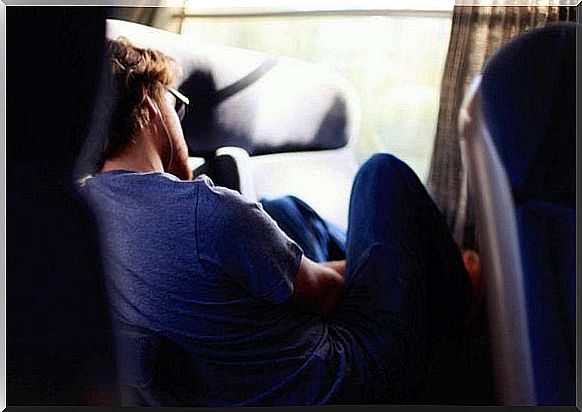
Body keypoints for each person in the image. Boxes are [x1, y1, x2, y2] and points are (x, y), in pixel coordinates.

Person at [80, 37, 474, 406]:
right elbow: (329, 294)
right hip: (345, 379)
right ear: (151, 105)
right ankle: (466, 299)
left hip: (235, 387)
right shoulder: (205, 209)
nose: (179, 120)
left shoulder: (77, 217)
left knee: (282, 209)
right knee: (380, 174)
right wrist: (397, 262)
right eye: (176, 106)